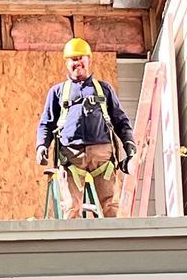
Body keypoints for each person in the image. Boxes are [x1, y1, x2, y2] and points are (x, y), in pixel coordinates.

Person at [36, 37, 136, 219]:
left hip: (102, 158)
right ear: (67, 63)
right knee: (71, 208)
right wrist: (42, 145)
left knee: (111, 206)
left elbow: (120, 120)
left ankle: (114, 245)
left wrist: (129, 144)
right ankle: (73, 246)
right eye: (73, 59)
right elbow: (47, 123)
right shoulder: (58, 92)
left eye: (81, 58)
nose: (78, 63)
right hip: (71, 158)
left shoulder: (103, 89)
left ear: (89, 59)